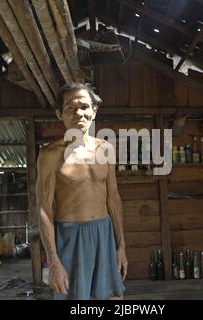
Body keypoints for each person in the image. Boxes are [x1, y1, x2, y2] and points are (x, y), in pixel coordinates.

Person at [36, 83, 127, 300]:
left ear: (93, 112)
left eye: (85, 106)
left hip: (103, 233)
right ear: (60, 114)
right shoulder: (50, 155)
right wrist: (53, 262)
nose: (79, 113)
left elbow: (113, 199)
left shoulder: (105, 149)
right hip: (70, 236)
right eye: (70, 107)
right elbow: (43, 209)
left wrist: (121, 246)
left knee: (113, 298)